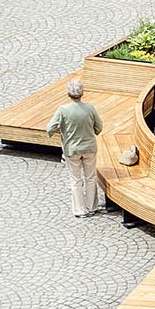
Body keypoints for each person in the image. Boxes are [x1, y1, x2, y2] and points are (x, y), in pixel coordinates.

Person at [46, 78, 103, 217]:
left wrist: (60, 129)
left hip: (72, 150)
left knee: (76, 180)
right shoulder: (90, 108)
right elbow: (99, 127)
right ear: (82, 93)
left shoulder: (63, 110)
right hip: (89, 147)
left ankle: (80, 210)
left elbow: (49, 128)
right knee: (90, 178)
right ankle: (92, 207)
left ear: (68, 94)